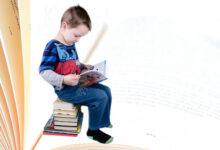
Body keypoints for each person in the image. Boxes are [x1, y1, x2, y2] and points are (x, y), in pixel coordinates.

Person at [39, 5, 113, 144]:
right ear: (64, 26)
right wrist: (63, 79)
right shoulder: (52, 47)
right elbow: (44, 71)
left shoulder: (69, 42)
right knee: (99, 97)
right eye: (77, 35)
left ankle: (103, 121)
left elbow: (73, 62)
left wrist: (83, 66)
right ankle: (93, 131)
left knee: (106, 90)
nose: (78, 39)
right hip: (66, 91)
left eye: (80, 36)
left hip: (78, 82)